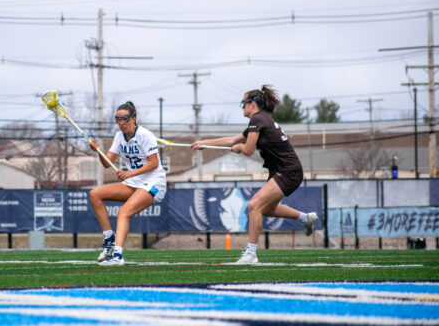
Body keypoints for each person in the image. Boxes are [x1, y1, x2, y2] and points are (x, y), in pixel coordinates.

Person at [190, 85, 317, 265]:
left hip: (288, 171)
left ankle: (251, 254)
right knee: (265, 208)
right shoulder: (261, 120)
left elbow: (248, 150)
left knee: (254, 205)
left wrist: (241, 148)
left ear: (252, 104)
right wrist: (204, 143)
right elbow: (233, 140)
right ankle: (305, 217)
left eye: (243, 103)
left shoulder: (258, 119)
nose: (242, 107)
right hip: (283, 171)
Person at [88, 101, 167, 266]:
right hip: (134, 183)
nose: (121, 123)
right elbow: (106, 163)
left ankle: (118, 256)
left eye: (125, 119)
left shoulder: (145, 135)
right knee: (95, 194)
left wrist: (129, 173)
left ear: (134, 118)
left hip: (154, 183)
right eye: (118, 119)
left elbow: (154, 163)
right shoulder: (119, 137)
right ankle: (109, 240)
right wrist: (98, 152)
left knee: (123, 212)